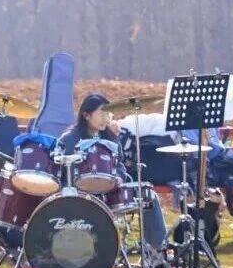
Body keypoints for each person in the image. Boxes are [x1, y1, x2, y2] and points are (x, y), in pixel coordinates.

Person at [56, 93, 168, 257]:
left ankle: (157, 253)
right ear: (86, 115)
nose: (105, 118)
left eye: (108, 114)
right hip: (80, 194)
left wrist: (120, 177)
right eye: (101, 113)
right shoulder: (69, 139)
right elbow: (59, 168)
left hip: (110, 191)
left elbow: (120, 165)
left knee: (149, 195)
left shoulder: (110, 137)